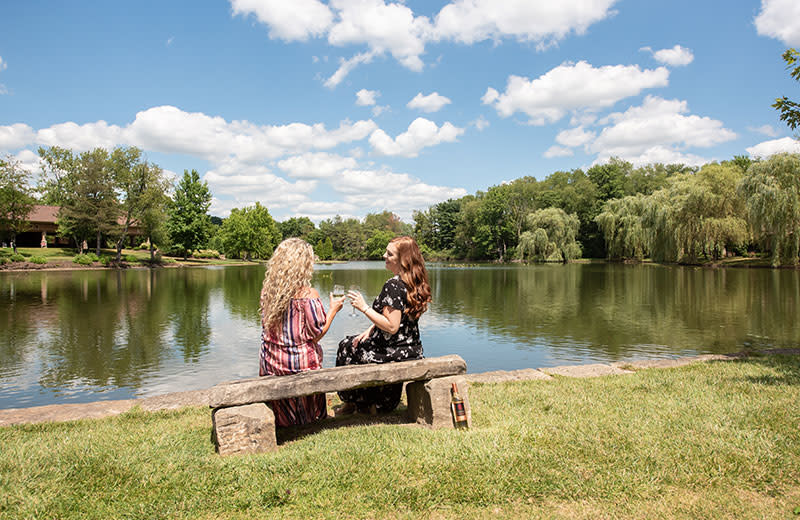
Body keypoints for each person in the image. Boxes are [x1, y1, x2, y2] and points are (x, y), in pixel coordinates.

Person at [336, 236, 432, 414]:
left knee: (346, 347)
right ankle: (374, 402)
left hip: (391, 350)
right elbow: (401, 320)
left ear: (402, 259)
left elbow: (392, 326)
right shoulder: (415, 282)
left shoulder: (393, 285)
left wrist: (363, 307)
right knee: (358, 341)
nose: (384, 256)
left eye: (389, 254)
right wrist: (370, 329)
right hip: (413, 350)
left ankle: (353, 403)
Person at [259, 238, 344, 427]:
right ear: (303, 265)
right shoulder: (308, 295)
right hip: (298, 365)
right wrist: (333, 310)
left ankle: (284, 419)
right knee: (310, 352)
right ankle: (310, 418)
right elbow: (317, 335)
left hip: (271, 363)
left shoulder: (267, 292)